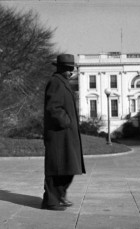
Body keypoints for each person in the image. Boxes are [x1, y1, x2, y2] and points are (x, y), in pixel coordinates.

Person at [42, 54, 86, 211]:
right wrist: (66, 122)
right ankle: (51, 201)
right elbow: (53, 107)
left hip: (66, 135)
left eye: (72, 69)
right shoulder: (56, 82)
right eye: (68, 69)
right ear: (61, 69)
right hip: (59, 134)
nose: (71, 72)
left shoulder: (62, 82)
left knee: (69, 167)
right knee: (57, 168)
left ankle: (60, 195)